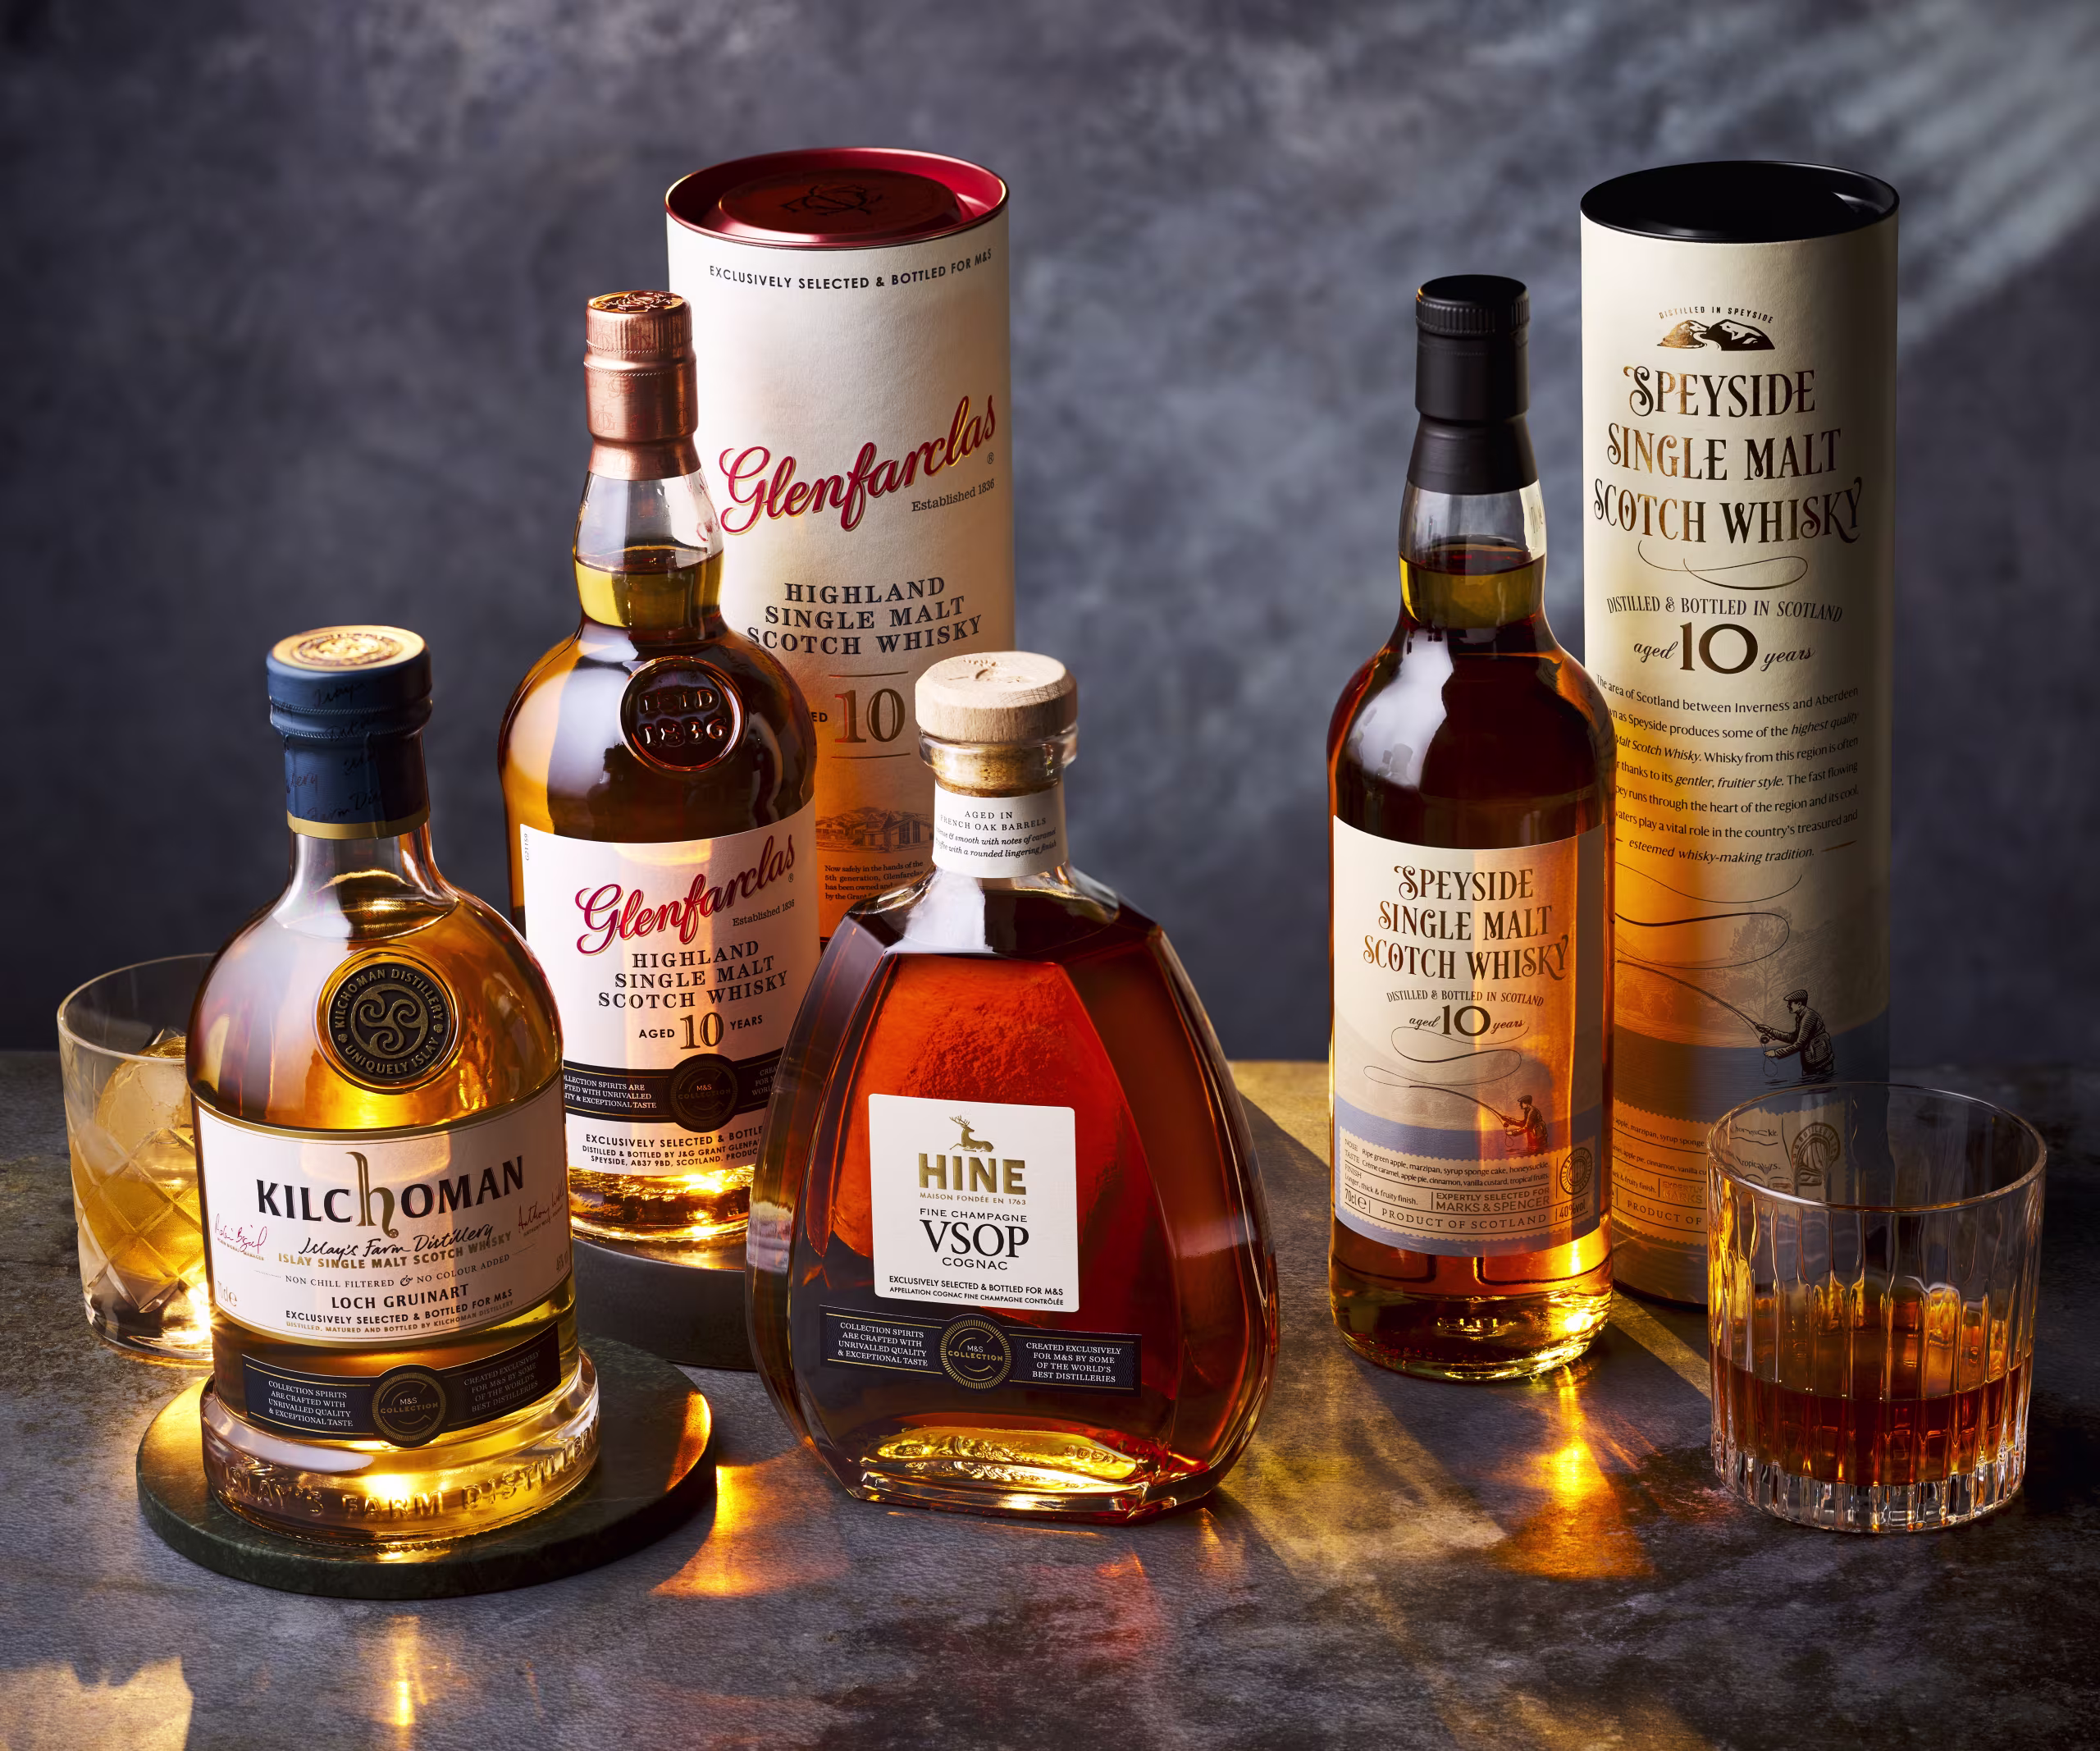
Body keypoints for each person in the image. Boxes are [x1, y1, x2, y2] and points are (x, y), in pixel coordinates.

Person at [1758, 988, 1833, 1083]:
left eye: (1790, 1003)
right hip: (1812, 1064)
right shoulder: (1801, 1017)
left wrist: (1776, 1053)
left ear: (1799, 1004)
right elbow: (1793, 1038)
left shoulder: (1808, 1018)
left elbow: (1799, 1044)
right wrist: (1770, 1031)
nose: (1788, 1006)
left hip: (1821, 1065)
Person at [1502, 1092, 1550, 1156]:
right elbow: (1524, 1123)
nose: (1520, 1105)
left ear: (1527, 1103)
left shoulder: (1532, 1111)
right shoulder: (1527, 1111)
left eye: (1521, 1103)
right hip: (1533, 1137)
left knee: (1539, 1156)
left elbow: (1527, 1127)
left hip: (1538, 1138)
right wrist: (1509, 1120)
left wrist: (1513, 1133)